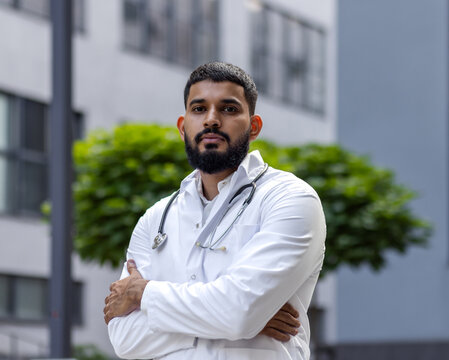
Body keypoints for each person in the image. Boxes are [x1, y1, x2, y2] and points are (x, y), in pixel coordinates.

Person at [104, 62, 326, 359]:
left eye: (229, 109)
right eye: (199, 109)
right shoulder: (155, 219)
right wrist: (238, 322)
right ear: (183, 128)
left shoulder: (289, 199)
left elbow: (239, 312)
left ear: (254, 126)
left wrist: (142, 294)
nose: (211, 120)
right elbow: (125, 339)